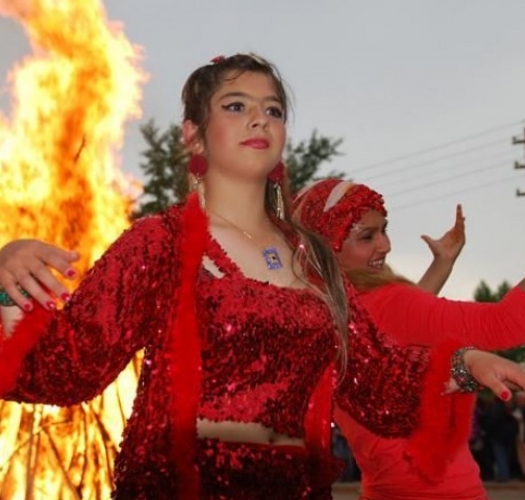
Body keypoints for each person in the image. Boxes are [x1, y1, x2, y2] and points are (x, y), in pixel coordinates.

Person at [1, 55, 524, 500]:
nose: (260, 119)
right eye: (236, 106)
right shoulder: (159, 243)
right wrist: (7, 280)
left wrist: (468, 362)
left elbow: (375, 380)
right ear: (194, 136)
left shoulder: (315, 260)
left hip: (297, 483)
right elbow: (63, 370)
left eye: (272, 110)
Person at [294, 177, 525, 500]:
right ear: (327, 247)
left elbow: (394, 335)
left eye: (384, 230)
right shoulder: (389, 303)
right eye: (367, 236)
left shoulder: (321, 316)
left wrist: (441, 264)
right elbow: (507, 323)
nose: (386, 245)